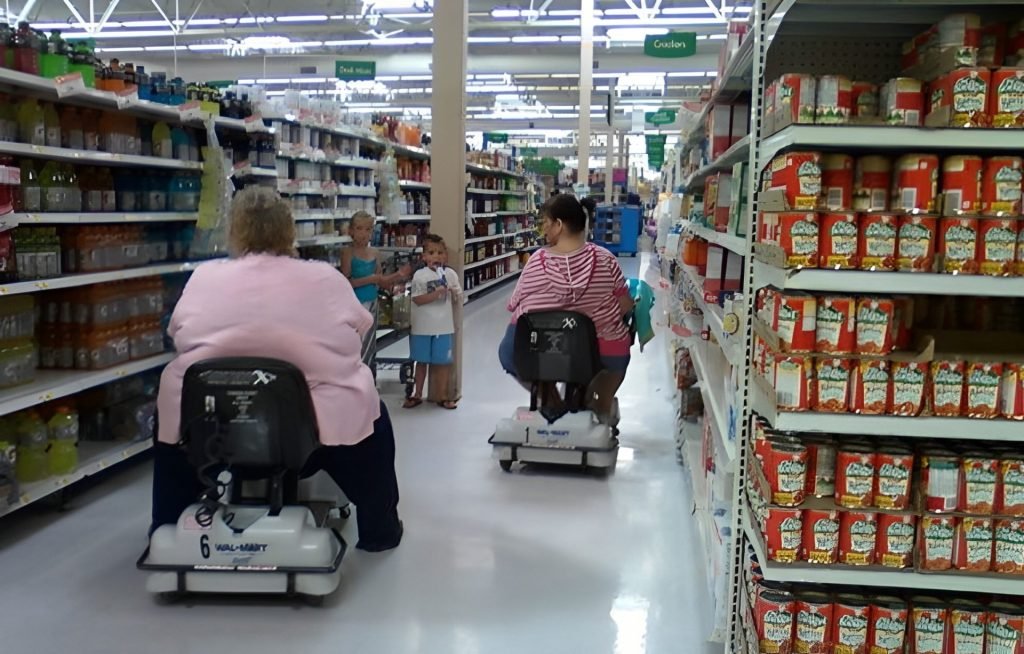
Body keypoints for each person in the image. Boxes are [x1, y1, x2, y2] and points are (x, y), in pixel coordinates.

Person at [153, 187, 402, 552]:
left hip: (213, 427)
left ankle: (167, 526)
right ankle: (380, 530)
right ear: (290, 232)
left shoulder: (204, 278)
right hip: (311, 433)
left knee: (172, 411)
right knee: (371, 417)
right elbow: (359, 329)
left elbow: (178, 334)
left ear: (234, 233)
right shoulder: (323, 278)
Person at [499, 194, 634, 417]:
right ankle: (599, 405)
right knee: (619, 347)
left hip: (543, 351)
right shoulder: (606, 259)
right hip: (600, 353)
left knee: (509, 350)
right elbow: (625, 306)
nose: (543, 230)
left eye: (545, 223)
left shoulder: (536, 261)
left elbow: (515, 305)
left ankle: (550, 397)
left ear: (559, 225)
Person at [405, 233, 462, 410]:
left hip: (443, 326)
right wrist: (436, 293)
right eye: (431, 253)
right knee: (421, 362)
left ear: (445, 255)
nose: (436, 257)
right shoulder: (419, 276)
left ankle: (443, 395)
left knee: (443, 362)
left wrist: (454, 293)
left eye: (440, 253)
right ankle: (417, 393)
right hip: (422, 327)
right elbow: (417, 299)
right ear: (424, 257)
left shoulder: (450, 274)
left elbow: (459, 296)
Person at [340, 211, 410, 311]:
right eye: (359, 228)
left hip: (373, 303)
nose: (363, 233)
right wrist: (371, 279)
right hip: (354, 305)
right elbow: (346, 283)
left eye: (368, 229)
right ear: (351, 231)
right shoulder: (347, 252)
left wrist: (398, 276)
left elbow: (381, 281)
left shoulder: (375, 252)